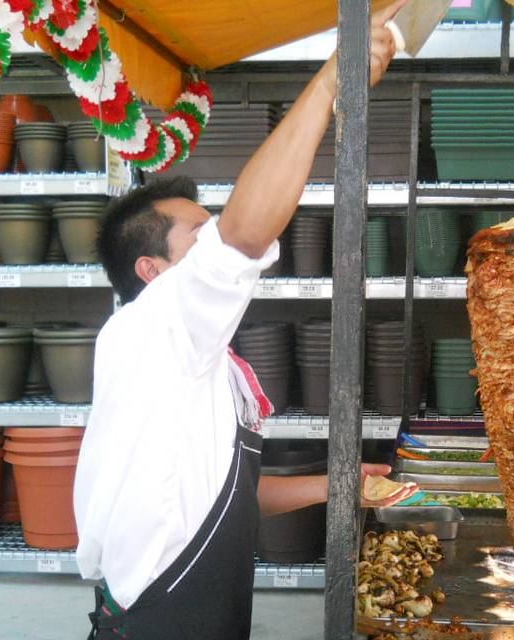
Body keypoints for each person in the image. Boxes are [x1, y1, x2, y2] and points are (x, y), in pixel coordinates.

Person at [77, 3, 415, 637]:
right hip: (160, 618)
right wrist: (332, 80)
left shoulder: (198, 362)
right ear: (152, 272)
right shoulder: (149, 330)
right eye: (199, 238)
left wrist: (336, 486)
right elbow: (245, 235)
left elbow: (225, 495)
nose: (216, 248)